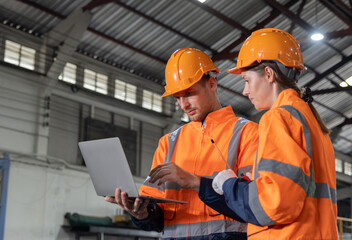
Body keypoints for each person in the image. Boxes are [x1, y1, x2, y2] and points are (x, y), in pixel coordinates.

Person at [198, 28, 338, 239]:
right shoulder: (312, 122)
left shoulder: (278, 118)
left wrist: (229, 184)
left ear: (269, 74)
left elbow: (275, 203)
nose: (245, 91)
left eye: (246, 80)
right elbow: (295, 187)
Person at [105, 48, 259, 239]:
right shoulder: (168, 143)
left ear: (212, 84)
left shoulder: (247, 133)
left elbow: (253, 204)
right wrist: (142, 213)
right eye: (177, 97)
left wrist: (195, 183)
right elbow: (158, 216)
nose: (183, 104)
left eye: (189, 93)